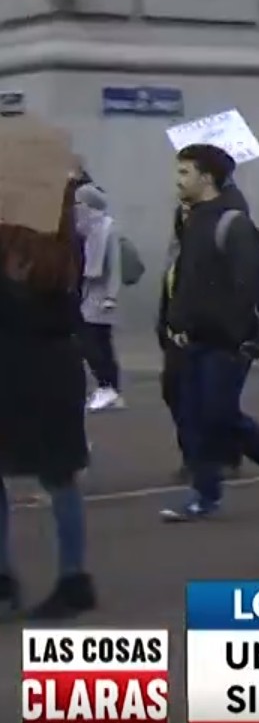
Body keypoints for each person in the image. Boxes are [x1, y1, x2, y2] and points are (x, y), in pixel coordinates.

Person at [159, 144, 259, 522]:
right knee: (195, 416)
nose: (178, 180)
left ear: (207, 178)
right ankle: (205, 495)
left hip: (228, 341)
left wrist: (242, 336)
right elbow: (185, 280)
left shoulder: (233, 223)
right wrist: (176, 323)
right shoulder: (191, 220)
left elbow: (247, 286)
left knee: (219, 414)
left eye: (185, 172)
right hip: (192, 338)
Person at [0, 180, 97, 619]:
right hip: (49, 369)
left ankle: (61, 581)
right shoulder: (62, 244)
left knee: (57, 477)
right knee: (60, 477)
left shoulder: (30, 250)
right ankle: (69, 579)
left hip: (29, 370)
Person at [73, 183, 125, 412]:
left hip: (101, 297)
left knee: (96, 344)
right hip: (87, 294)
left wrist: (111, 296)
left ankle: (108, 386)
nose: (77, 208)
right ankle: (108, 387)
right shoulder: (83, 231)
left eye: (81, 203)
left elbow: (115, 267)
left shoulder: (107, 229)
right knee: (95, 343)